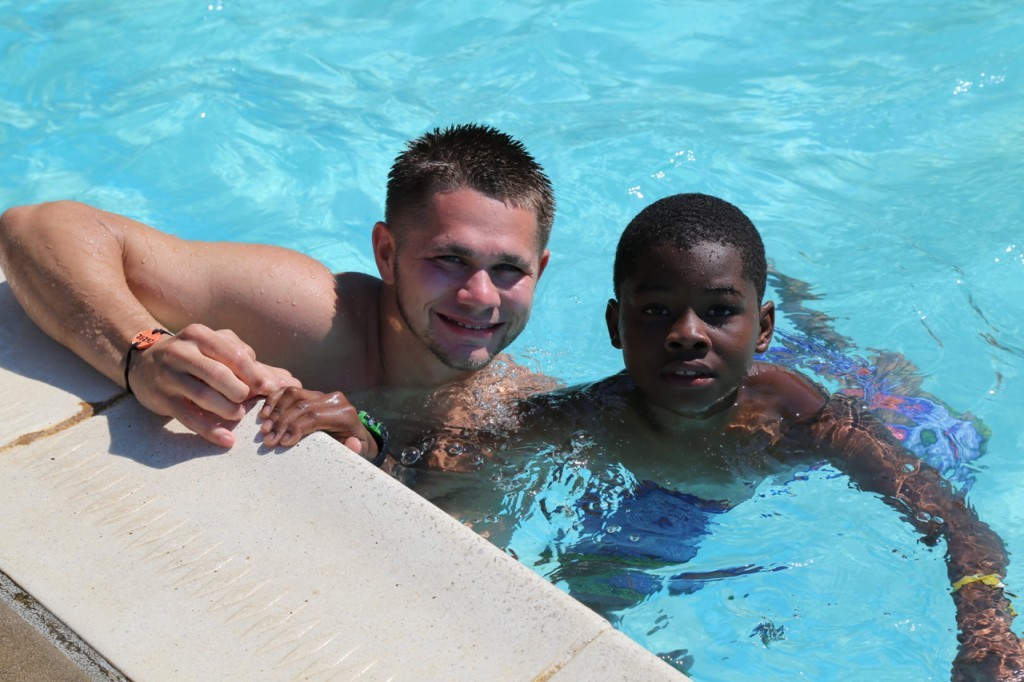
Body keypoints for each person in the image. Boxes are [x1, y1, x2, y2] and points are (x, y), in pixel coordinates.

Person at [480, 193, 1020, 680]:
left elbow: (959, 525)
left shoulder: (803, 422)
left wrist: (986, 627)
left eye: (719, 311)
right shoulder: (586, 414)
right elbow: (470, 447)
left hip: (787, 427)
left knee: (945, 433)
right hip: (682, 489)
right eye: (655, 311)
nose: (687, 334)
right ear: (615, 324)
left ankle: (821, 329)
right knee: (591, 590)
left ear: (762, 328)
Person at [0, 123, 555, 460]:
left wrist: (372, 447)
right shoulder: (311, 314)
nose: (480, 295)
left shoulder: (521, 413)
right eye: (450, 259)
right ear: (386, 254)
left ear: (542, 270)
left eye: (510, 269)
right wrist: (140, 351)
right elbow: (37, 226)